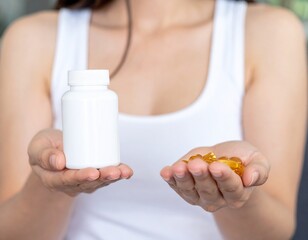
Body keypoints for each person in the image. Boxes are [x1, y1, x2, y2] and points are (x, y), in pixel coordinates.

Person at [0, 0, 306, 239]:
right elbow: (14, 234)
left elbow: (275, 232)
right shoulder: (33, 38)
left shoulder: (270, 32)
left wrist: (233, 196)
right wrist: (52, 187)